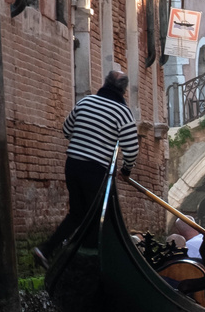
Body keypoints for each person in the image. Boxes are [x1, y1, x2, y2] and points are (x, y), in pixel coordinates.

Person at [37, 70, 138, 264]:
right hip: (95, 169)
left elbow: (67, 129)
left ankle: (48, 250)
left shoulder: (86, 102)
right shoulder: (122, 112)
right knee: (99, 216)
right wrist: (126, 170)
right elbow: (132, 149)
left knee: (78, 213)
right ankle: (91, 259)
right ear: (123, 90)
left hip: (73, 165)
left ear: (105, 83)